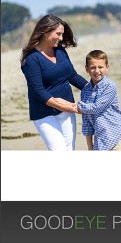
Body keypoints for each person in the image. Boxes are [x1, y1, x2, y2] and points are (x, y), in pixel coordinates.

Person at [19, 15, 88, 150]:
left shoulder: (60, 51)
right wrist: (62, 106)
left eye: (62, 34)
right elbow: (38, 90)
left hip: (68, 109)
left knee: (69, 150)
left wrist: (93, 88)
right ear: (46, 31)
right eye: (58, 34)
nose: (61, 38)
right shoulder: (31, 59)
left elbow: (72, 76)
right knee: (58, 150)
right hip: (45, 113)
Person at [76, 50, 121, 151]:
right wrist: (89, 145)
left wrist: (77, 106)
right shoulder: (85, 91)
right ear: (87, 69)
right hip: (100, 142)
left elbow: (96, 107)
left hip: (117, 138)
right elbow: (86, 121)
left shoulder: (110, 86)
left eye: (100, 67)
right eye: (93, 67)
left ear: (107, 68)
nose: (97, 71)